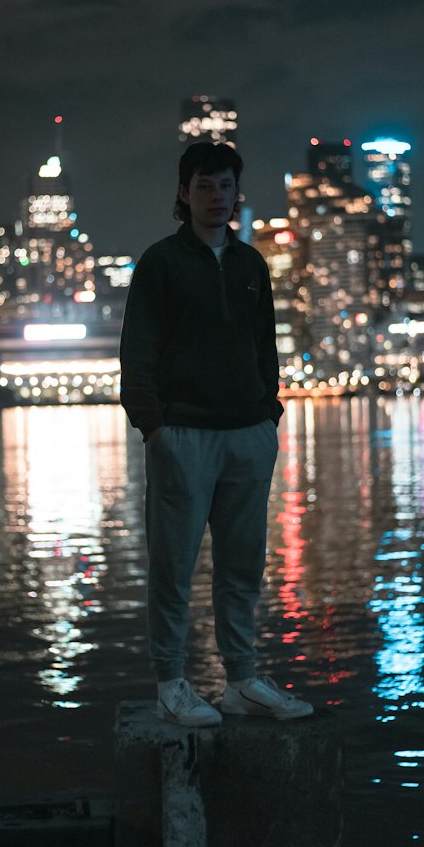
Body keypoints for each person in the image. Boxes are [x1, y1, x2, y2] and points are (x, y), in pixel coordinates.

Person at [119, 140, 313, 726]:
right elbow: (139, 352)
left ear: (236, 192)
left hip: (246, 435)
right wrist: (155, 428)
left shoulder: (252, 264)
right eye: (204, 185)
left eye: (225, 185)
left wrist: (267, 415)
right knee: (173, 566)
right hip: (183, 435)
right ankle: (171, 681)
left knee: (243, 564)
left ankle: (241, 679)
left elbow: (264, 349)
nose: (216, 196)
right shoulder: (161, 263)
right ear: (184, 193)